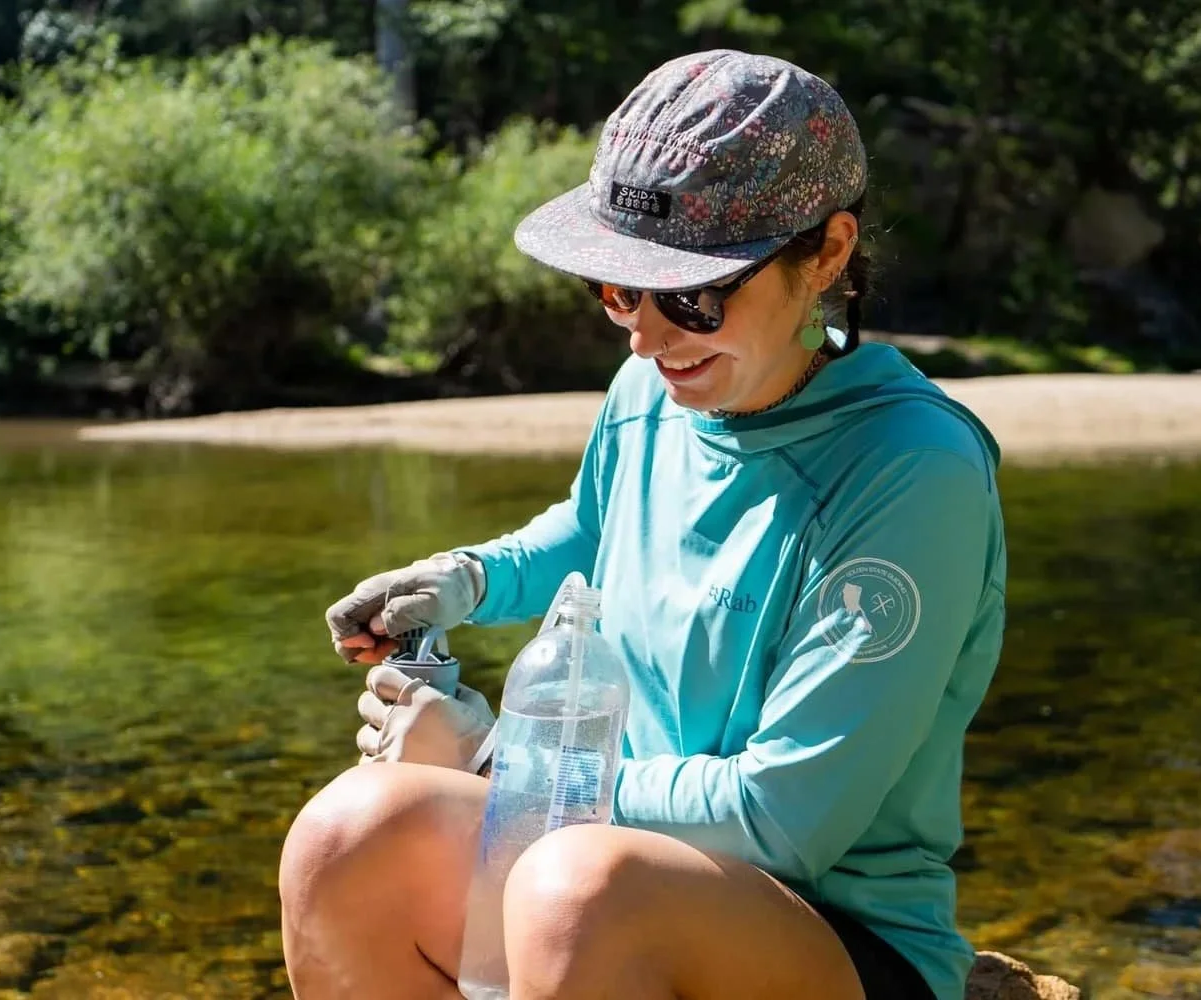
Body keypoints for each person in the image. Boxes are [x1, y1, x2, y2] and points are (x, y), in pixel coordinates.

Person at [279, 49, 1007, 1000]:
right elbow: (594, 531)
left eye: (692, 297)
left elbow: (781, 816)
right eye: (619, 290)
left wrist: (496, 758)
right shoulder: (652, 390)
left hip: (837, 934)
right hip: (603, 857)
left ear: (826, 254)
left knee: (576, 889)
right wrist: (468, 578)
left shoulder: (915, 472)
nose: (646, 337)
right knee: (350, 835)